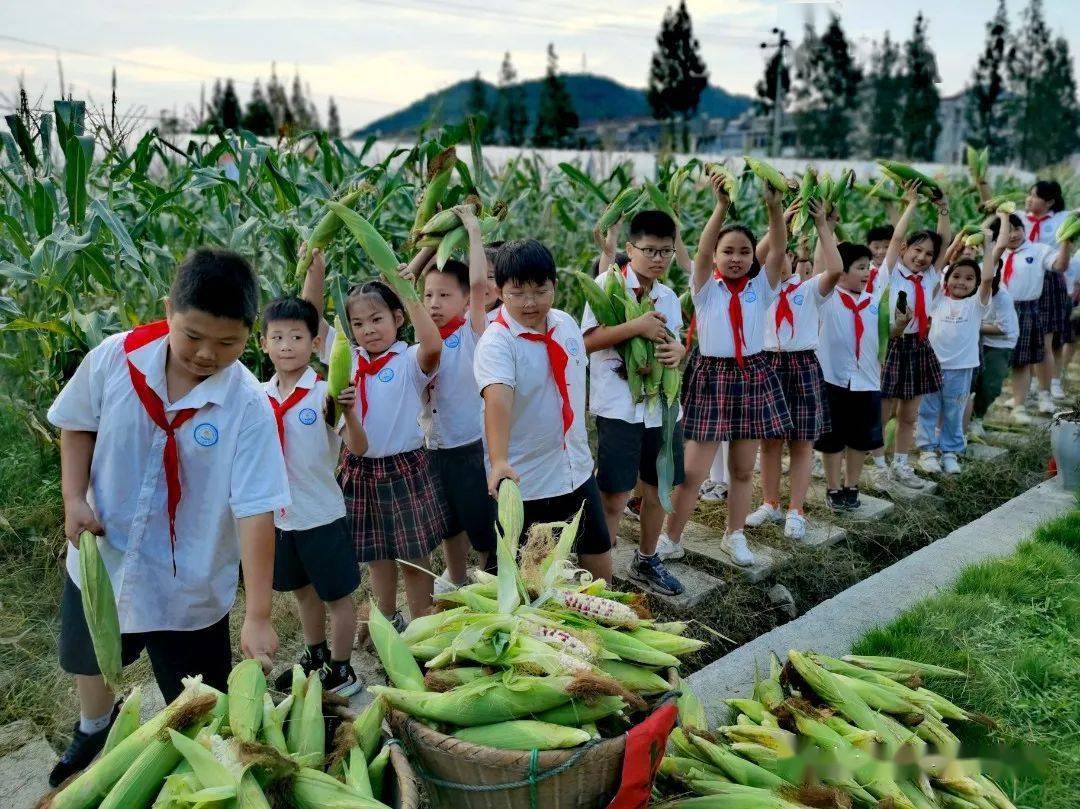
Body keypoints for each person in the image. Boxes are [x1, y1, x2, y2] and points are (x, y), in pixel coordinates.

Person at [46, 248, 289, 786]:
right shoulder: (116, 357)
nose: (207, 354)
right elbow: (77, 422)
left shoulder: (247, 406)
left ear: (250, 335)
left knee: (198, 691)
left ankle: (201, 758)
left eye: (228, 343)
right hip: (104, 560)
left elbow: (255, 510)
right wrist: (73, 499)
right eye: (193, 336)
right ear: (167, 311)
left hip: (189, 583)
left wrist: (259, 613)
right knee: (90, 659)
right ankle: (93, 727)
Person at [659, 174, 789, 568]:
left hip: (753, 375)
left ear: (753, 257)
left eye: (744, 252)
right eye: (727, 251)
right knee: (694, 471)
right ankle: (671, 537)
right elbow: (699, 252)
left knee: (741, 468)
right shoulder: (705, 287)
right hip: (712, 376)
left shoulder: (761, 287)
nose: (735, 258)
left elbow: (779, 246)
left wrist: (773, 208)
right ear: (715, 256)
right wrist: (720, 207)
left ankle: (735, 535)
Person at [475, 239, 613, 583]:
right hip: (528, 482)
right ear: (499, 289)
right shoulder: (497, 342)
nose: (530, 302)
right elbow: (498, 400)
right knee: (527, 581)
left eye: (540, 290)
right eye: (517, 292)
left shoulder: (565, 324)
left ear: (555, 284)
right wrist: (499, 460)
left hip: (576, 468)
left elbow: (571, 385)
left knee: (598, 555)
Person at [331, 248, 447, 630]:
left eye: (377, 319)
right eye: (359, 323)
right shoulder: (347, 359)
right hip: (358, 469)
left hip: (403, 468)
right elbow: (311, 325)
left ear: (398, 319)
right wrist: (314, 269)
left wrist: (407, 291)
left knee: (413, 558)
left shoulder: (409, 360)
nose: (369, 330)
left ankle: (422, 625)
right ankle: (386, 618)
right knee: (376, 555)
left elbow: (433, 345)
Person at [261, 285, 367, 696]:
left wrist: (352, 413)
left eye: (298, 337)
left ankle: (342, 670)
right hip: (281, 519)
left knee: (338, 598)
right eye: (278, 337)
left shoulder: (325, 392)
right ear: (264, 343)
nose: (287, 346)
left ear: (314, 342)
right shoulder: (259, 396)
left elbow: (358, 447)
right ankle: (316, 654)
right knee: (304, 595)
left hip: (322, 514)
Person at [582, 210, 686, 596]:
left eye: (666, 252)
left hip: (660, 407)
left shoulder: (669, 297)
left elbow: (673, 343)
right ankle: (601, 574)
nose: (658, 259)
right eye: (649, 250)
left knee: (660, 486)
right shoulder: (606, 287)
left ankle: (646, 559)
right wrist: (635, 327)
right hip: (618, 409)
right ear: (630, 249)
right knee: (614, 492)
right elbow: (587, 340)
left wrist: (679, 352)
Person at [410, 206, 498, 588]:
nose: (433, 302)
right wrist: (427, 247)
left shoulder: (473, 332)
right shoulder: (421, 339)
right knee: (446, 521)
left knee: (481, 520)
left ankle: (490, 577)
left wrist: (473, 231)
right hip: (433, 447)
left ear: (465, 302)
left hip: (469, 447)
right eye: (428, 295)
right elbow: (405, 282)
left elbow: (479, 284)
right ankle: (458, 579)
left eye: (444, 295)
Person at [746, 200, 843, 540]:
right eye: (776, 249)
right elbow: (754, 258)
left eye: (784, 252)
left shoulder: (809, 290)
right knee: (769, 442)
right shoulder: (759, 289)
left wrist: (821, 226)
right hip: (768, 363)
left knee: (802, 443)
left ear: (794, 259)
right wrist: (780, 221)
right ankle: (770, 502)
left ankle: (796, 509)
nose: (779, 258)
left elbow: (835, 269)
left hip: (802, 365)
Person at [915, 219, 1001, 475]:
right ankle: (928, 450)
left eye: (969, 279)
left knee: (954, 410)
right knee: (928, 408)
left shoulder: (976, 304)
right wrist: (957, 240)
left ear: (976, 284)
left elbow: (988, 277)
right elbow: (941, 265)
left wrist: (987, 245)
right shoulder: (938, 298)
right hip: (932, 365)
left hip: (962, 368)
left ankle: (951, 451)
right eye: (956, 277)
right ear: (947, 279)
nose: (962, 282)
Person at [880, 182, 950, 489]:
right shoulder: (891, 272)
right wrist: (911, 203)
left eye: (928, 254)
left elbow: (944, 242)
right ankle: (879, 466)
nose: (922, 258)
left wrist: (943, 208)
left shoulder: (930, 277)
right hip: (892, 345)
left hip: (919, 347)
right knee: (882, 414)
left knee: (909, 415)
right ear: (905, 250)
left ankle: (901, 465)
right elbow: (896, 238)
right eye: (917, 250)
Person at [814, 242, 888, 511]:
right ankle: (833, 487)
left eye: (868, 267)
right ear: (841, 272)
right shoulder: (827, 297)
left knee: (860, 438)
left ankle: (851, 485)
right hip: (832, 379)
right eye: (860, 267)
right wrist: (825, 226)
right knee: (832, 439)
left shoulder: (873, 300)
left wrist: (899, 326)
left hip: (866, 380)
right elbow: (824, 263)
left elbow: (882, 334)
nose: (867, 272)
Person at [995, 213, 1074, 424]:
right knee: (1003, 359)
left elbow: (1059, 266)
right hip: (1000, 310)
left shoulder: (1038, 250)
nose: (1012, 234)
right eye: (1007, 229)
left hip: (1027, 308)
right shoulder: (996, 253)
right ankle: (1015, 397)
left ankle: (1029, 401)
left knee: (1027, 357)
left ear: (1023, 228)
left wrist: (1066, 242)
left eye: (1016, 228)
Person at [1025, 180, 1075, 400]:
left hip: (1052, 279)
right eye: (1029, 194)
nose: (1029, 199)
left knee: (1052, 338)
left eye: (1034, 196)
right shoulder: (1021, 219)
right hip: (1027, 278)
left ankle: (1054, 382)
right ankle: (1036, 381)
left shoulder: (1063, 218)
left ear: (1050, 202)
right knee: (1031, 336)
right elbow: (991, 206)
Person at [967, 238, 1019, 441]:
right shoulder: (971, 289)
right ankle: (966, 419)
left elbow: (1002, 328)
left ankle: (978, 417)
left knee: (991, 384)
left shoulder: (1002, 297)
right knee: (972, 382)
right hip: (978, 339)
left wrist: (971, 326)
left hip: (1000, 342)